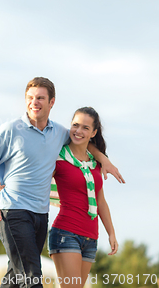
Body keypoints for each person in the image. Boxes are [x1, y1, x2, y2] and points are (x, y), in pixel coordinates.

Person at [0, 77, 123, 288]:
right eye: (30, 98)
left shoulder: (58, 133)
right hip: (14, 210)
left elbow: (82, 141)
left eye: (40, 98)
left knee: (15, 276)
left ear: (52, 102)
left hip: (40, 215)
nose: (34, 102)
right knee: (32, 276)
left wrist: (104, 159)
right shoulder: (11, 129)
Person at [48, 107, 118, 288]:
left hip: (91, 237)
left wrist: (111, 233)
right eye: (75, 125)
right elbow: (36, 181)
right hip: (65, 233)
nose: (78, 131)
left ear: (93, 132)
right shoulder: (58, 158)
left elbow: (100, 201)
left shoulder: (95, 163)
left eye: (85, 128)